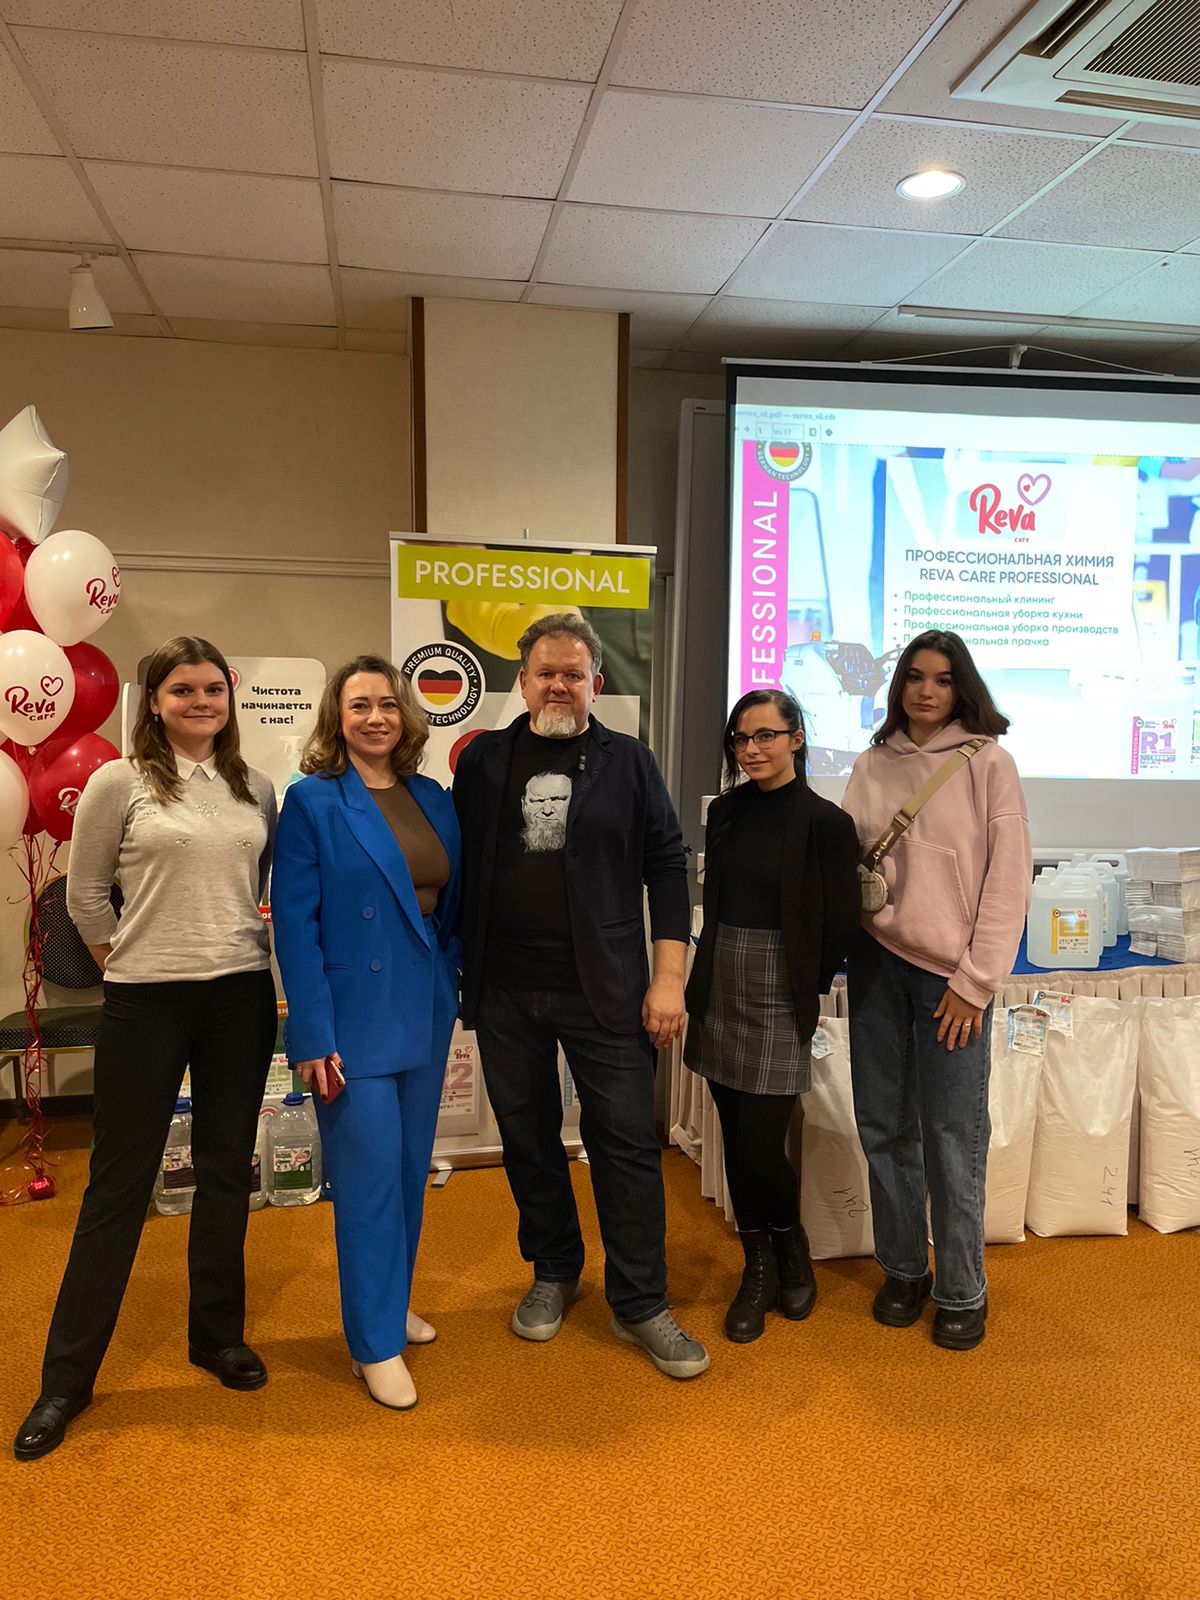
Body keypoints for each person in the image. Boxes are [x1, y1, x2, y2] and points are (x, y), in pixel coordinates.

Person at [14, 637, 278, 1461]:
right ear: (154, 702)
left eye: (213, 689)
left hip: (240, 998)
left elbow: (255, 891)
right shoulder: (117, 782)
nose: (201, 702)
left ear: (229, 697)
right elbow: (86, 896)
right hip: (145, 1001)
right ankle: (65, 1381)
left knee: (227, 1173)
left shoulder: (256, 787)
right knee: (118, 1186)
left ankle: (216, 1336)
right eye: (182, 690)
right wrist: (127, 961)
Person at [453, 613, 708, 1379]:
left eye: (574, 673)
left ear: (596, 683)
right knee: (528, 1139)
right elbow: (456, 864)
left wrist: (669, 980)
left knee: (624, 1145)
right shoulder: (484, 760)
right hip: (505, 989)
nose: (559, 685)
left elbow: (667, 869)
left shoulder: (629, 763)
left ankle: (641, 1302)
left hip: (608, 990)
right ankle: (554, 1269)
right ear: (523, 681)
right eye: (546, 672)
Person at [271, 655, 460, 1412]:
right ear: (337, 718)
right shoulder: (312, 801)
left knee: (409, 1169)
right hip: (351, 1016)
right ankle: (373, 1343)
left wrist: (452, 973)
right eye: (359, 706)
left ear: (404, 715)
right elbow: (295, 924)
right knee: (370, 1176)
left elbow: (452, 901)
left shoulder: (432, 796)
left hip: (425, 1001)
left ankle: (389, 1302)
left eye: (387, 703)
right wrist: (311, 1032)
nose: (376, 717)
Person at [843, 630, 1031, 1352]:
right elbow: (851, 860)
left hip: (950, 979)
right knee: (883, 1126)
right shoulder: (871, 763)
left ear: (962, 689)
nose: (927, 691)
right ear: (899, 686)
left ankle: (961, 1288)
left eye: (944, 679)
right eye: (916, 677)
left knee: (953, 1136)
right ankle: (903, 1270)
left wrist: (975, 983)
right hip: (875, 966)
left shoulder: (990, 764)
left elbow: (1007, 882)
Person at [685, 690, 860, 1343]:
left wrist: (804, 987)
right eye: (741, 738)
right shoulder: (725, 812)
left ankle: (789, 1244)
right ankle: (759, 1264)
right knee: (736, 1138)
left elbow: (840, 923)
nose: (751, 749)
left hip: (780, 989)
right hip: (720, 979)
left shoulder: (826, 823)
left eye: (765, 736)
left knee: (763, 1144)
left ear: (796, 739)